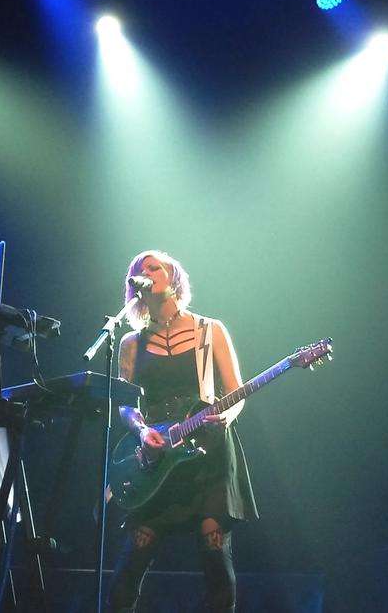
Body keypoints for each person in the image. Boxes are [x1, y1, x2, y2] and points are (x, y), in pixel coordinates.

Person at [107, 250, 258, 613]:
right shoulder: (131, 343)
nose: (146, 273)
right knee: (133, 556)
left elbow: (236, 393)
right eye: (138, 272)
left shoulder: (210, 330)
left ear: (173, 276)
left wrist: (228, 416)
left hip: (208, 452)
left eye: (153, 267)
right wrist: (142, 432)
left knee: (214, 550)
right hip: (158, 457)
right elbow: (125, 404)